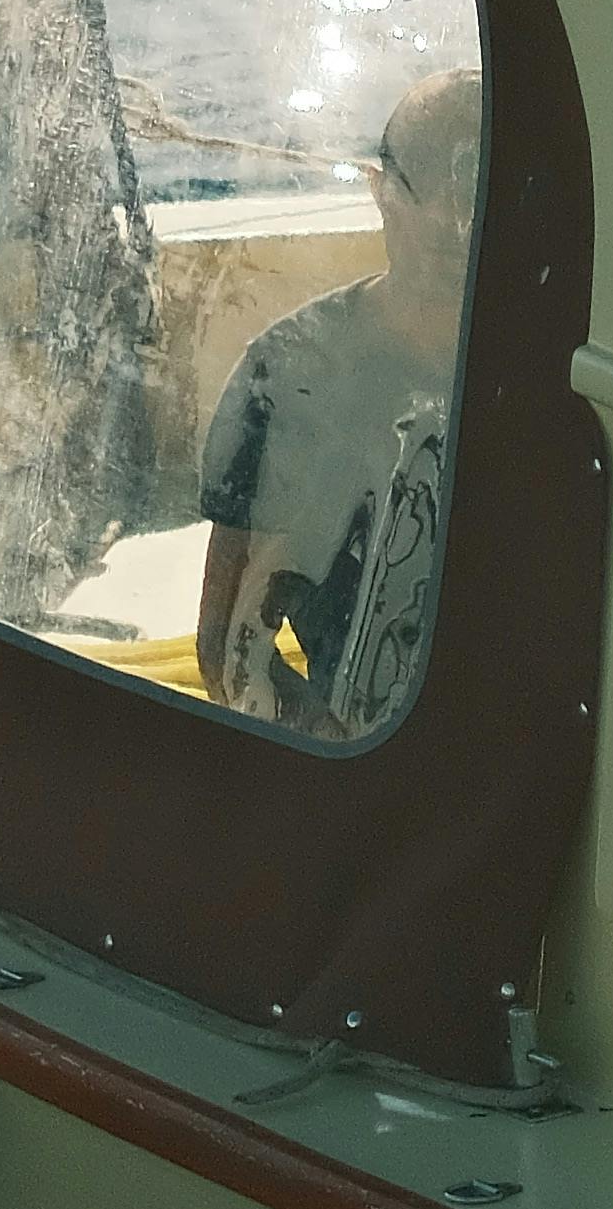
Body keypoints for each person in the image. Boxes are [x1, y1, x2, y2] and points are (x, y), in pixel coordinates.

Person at [195, 66, 480, 734]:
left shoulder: (547, 368)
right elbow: (226, 652)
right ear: (382, 194)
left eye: (471, 191)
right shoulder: (290, 376)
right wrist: (338, 750)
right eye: (428, 191)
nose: (450, 220)